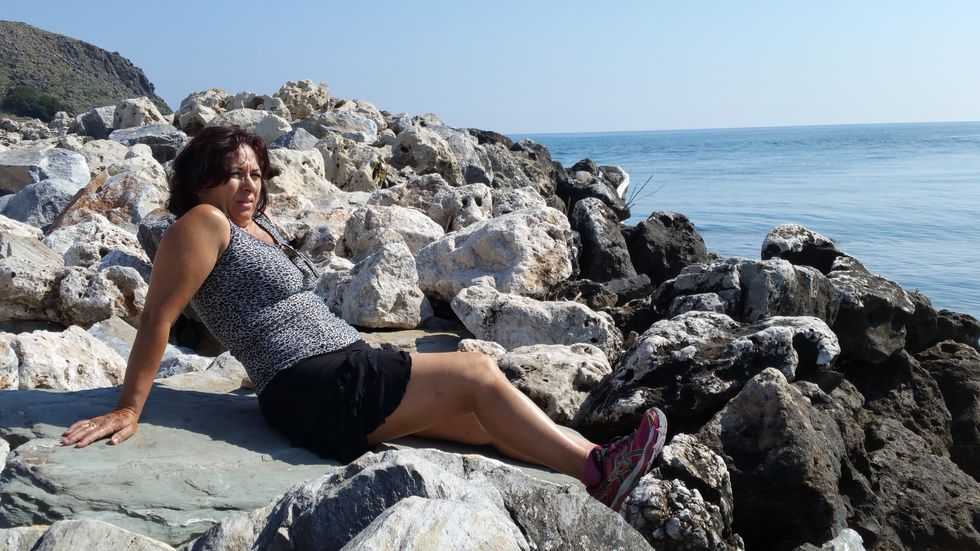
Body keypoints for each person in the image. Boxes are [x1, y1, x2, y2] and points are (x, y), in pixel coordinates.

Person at [60, 126, 667, 511]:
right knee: (478, 372)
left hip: (345, 365)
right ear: (201, 180)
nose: (248, 185)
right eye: (233, 173)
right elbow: (158, 318)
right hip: (312, 382)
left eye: (255, 174)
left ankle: (600, 460)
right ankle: (598, 471)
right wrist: (130, 407)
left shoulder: (253, 226)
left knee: (485, 424)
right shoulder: (202, 223)